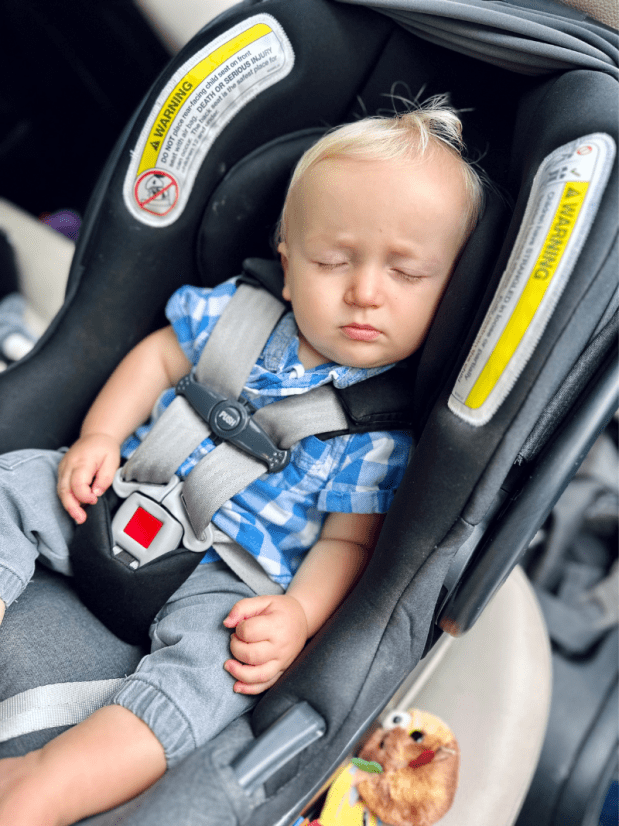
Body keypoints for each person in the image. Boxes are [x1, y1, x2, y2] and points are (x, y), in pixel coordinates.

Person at [0, 99, 484, 825]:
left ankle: (48, 781)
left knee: (221, 676)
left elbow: (347, 543)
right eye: (332, 261)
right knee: (13, 482)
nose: (364, 291)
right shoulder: (234, 311)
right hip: (121, 491)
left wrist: (297, 613)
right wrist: (101, 436)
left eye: (407, 273)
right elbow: (159, 358)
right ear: (287, 266)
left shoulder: (380, 432)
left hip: (231, 580)